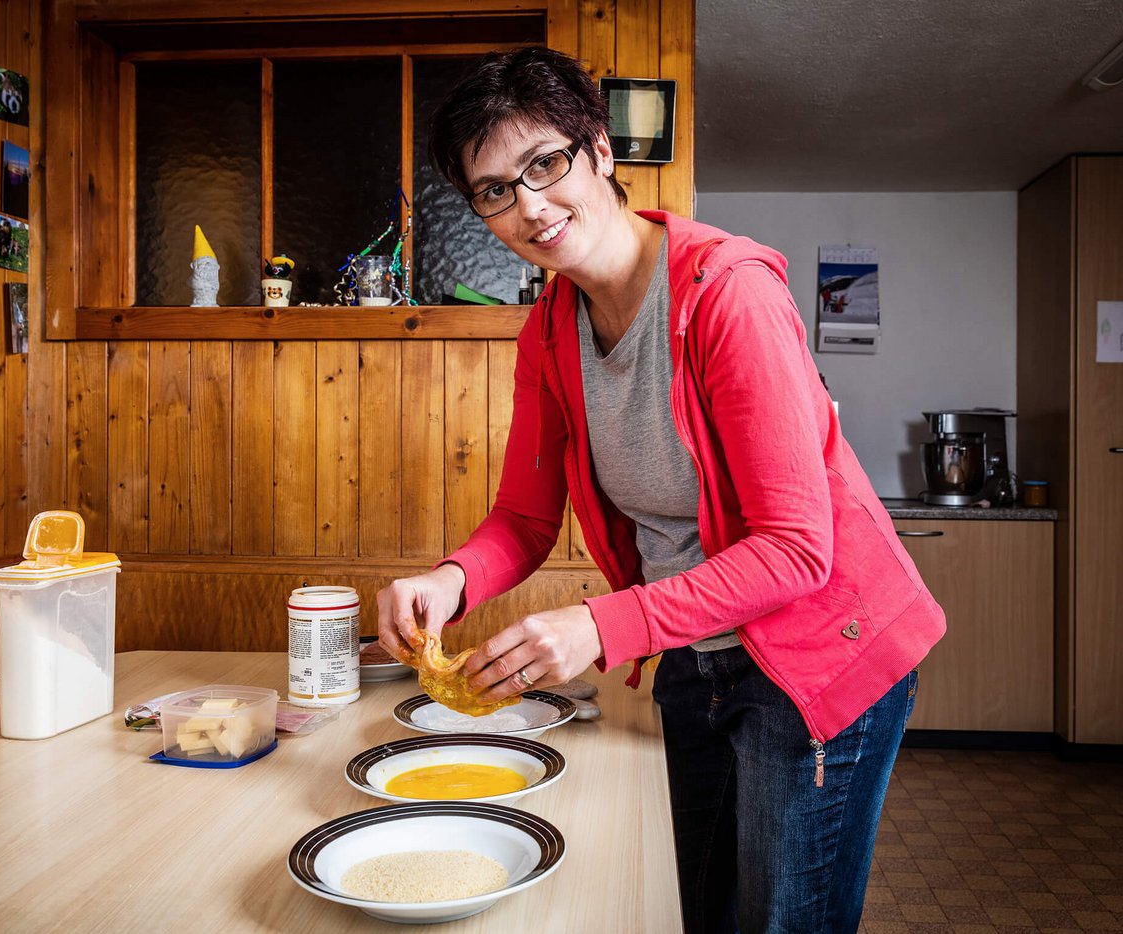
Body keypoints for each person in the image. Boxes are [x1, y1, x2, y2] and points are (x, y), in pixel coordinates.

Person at [374, 47, 945, 933]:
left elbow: (795, 548)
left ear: (600, 149)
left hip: (824, 649)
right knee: (697, 908)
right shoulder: (550, 332)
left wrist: (602, 625)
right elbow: (525, 518)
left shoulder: (728, 295)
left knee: (777, 919)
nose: (528, 205)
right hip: (697, 654)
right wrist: (449, 582)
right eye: (493, 190)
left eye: (544, 164)